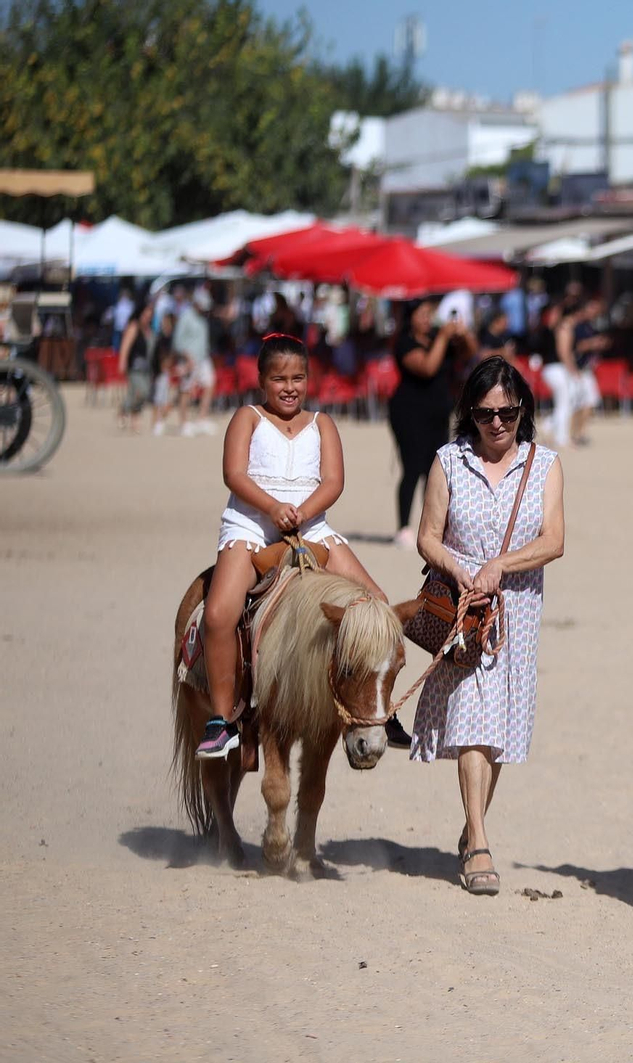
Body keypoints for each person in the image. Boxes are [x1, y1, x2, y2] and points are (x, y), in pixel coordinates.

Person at [411, 356, 564, 895]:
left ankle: (470, 826)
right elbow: (428, 535)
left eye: (507, 412)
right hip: (463, 608)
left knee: (496, 730)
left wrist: (501, 565)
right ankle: (478, 841)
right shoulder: (448, 462)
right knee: (473, 718)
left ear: (523, 410)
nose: (497, 423)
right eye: (485, 414)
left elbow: (554, 540)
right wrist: (462, 568)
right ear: (468, 414)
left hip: (517, 612)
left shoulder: (544, 465)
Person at [195, 334, 387, 758]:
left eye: (298, 377)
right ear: (261, 380)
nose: (289, 387)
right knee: (219, 613)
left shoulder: (322, 423)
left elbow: (334, 481)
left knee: (377, 603)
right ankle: (222, 718)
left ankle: (377, 709)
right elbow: (234, 474)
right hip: (251, 526)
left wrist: (302, 510)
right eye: (279, 378)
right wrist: (272, 506)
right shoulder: (248, 417)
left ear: (309, 379)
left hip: (311, 526)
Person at [392, 299, 476, 549]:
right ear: (411, 318)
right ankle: (403, 526)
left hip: (438, 414)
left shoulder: (439, 338)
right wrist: (443, 337)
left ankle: (431, 525)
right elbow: (427, 367)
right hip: (408, 413)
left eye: (430, 314)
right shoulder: (405, 343)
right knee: (412, 468)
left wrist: (463, 333)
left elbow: (469, 353)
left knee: (436, 472)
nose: (427, 319)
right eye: (422, 314)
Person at [547, 297, 608, 448]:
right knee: (566, 402)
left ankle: (556, 429)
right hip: (559, 368)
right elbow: (564, 352)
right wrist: (574, 371)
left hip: (562, 368)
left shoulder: (567, 326)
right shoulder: (566, 327)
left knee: (571, 401)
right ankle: (559, 435)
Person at [172, 285, 216, 435]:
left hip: (203, 358)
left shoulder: (203, 318)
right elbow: (177, 342)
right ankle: (183, 423)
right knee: (185, 390)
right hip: (188, 360)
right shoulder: (186, 317)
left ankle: (201, 418)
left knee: (209, 384)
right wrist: (187, 358)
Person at [117, 303, 156, 432]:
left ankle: (135, 421)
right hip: (134, 367)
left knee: (140, 394)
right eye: (146, 314)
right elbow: (125, 345)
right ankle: (124, 408)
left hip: (146, 368)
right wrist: (122, 362)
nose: (148, 317)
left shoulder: (149, 330)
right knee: (141, 391)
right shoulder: (134, 327)